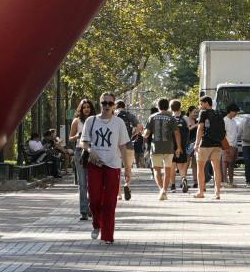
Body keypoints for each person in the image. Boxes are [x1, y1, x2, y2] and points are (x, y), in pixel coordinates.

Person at [78, 92, 134, 242]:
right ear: (100, 103)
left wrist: (127, 168)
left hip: (113, 165)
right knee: (94, 199)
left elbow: (123, 146)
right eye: (104, 103)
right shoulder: (91, 121)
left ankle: (108, 235)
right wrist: (90, 151)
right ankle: (96, 224)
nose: (107, 106)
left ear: (114, 105)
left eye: (110, 103)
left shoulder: (119, 123)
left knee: (110, 201)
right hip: (95, 164)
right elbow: (83, 142)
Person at [147, 97, 182, 199]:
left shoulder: (152, 117)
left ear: (158, 106)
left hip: (155, 148)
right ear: (168, 107)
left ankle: (161, 189)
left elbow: (147, 133)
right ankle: (165, 191)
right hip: (169, 147)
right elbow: (177, 133)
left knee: (157, 170)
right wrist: (179, 147)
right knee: (168, 170)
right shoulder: (172, 118)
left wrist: (143, 134)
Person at [192, 94, 226, 200]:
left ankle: (201, 192)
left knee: (200, 168)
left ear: (207, 103)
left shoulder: (204, 113)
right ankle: (217, 193)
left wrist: (197, 144)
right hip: (217, 144)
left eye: (201, 104)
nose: (200, 106)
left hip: (205, 144)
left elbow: (200, 128)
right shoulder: (219, 113)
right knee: (216, 169)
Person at [69, 98, 95, 220]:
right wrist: (77, 136)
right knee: (83, 183)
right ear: (81, 109)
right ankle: (84, 211)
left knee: (93, 182)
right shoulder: (76, 121)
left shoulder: (96, 120)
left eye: (88, 107)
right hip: (80, 152)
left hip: (93, 152)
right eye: (84, 107)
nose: (86, 109)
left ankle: (91, 208)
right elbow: (70, 138)